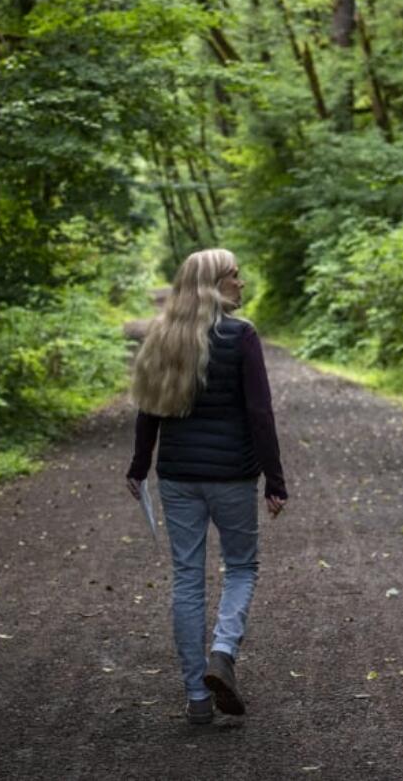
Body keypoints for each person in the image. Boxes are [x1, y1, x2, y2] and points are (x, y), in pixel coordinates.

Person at [126, 248, 288, 725]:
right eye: (233, 275)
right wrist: (274, 479)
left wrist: (139, 467)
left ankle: (197, 697)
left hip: (177, 477)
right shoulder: (241, 336)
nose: (241, 282)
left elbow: (148, 408)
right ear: (214, 284)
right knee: (240, 568)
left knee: (188, 579)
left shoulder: (163, 337)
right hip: (232, 477)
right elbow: (260, 412)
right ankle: (222, 652)